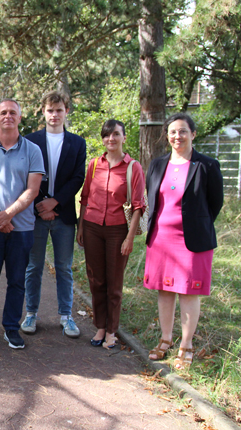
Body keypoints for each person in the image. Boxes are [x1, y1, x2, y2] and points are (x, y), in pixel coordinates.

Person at [144, 113, 223, 369]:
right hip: (161, 238)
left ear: (193, 134)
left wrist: (195, 222)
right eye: (173, 132)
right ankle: (165, 340)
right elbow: (153, 198)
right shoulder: (157, 164)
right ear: (167, 136)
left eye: (183, 131)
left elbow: (215, 203)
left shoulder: (207, 165)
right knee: (165, 290)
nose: (178, 136)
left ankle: (186, 346)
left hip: (193, 240)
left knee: (190, 291)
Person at [0, 99, 45, 349]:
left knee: (16, 280)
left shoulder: (33, 150)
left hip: (21, 228)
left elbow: (32, 190)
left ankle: (11, 328)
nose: (8, 116)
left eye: (13, 112)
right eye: (3, 112)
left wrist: (7, 215)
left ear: (20, 118)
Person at [76, 120, 145, 349]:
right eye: (106, 135)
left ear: (124, 137)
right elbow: (84, 198)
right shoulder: (95, 164)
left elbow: (138, 206)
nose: (111, 139)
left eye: (116, 134)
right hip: (93, 227)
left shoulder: (133, 167)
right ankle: (100, 326)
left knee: (114, 282)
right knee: (96, 280)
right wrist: (81, 228)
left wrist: (129, 238)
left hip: (117, 231)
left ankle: (112, 330)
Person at [23, 91, 86, 338]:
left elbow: (77, 178)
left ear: (66, 112)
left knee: (64, 267)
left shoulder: (78, 143)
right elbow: (25, 175)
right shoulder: (29, 141)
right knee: (33, 266)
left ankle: (66, 316)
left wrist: (55, 203)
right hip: (35, 214)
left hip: (64, 215)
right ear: (43, 112)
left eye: (59, 110)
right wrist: (41, 204)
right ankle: (30, 314)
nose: (54, 115)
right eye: (50, 110)